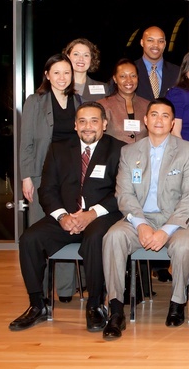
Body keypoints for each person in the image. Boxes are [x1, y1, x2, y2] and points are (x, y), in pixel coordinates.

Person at [9, 102, 125, 332]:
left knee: (95, 238)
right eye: (82, 121)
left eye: (94, 121)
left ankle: (95, 305)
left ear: (104, 124)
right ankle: (37, 305)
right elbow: (47, 190)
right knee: (29, 239)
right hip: (65, 216)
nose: (88, 126)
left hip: (101, 215)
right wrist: (62, 216)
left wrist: (92, 214)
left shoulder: (120, 150)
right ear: (75, 125)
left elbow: (122, 192)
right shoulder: (58, 149)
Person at [100, 98, 189, 340]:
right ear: (145, 120)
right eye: (154, 115)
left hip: (177, 219)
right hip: (140, 218)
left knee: (182, 245)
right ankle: (116, 309)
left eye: (165, 115)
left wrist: (165, 230)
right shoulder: (128, 152)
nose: (159, 120)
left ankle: (177, 302)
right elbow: (123, 194)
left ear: (172, 122)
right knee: (113, 236)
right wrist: (142, 224)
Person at [19, 53, 82, 302]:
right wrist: (26, 177)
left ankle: (66, 290)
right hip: (40, 175)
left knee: (65, 230)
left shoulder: (77, 100)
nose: (62, 77)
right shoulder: (35, 101)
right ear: (47, 75)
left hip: (68, 176)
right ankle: (41, 292)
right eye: (56, 72)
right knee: (38, 235)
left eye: (66, 72)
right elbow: (26, 144)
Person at [98, 58, 150, 144]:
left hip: (142, 156)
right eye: (123, 76)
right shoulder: (102, 105)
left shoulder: (148, 106)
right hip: (114, 156)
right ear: (115, 79)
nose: (129, 80)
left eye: (133, 76)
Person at [134, 26, 181, 100]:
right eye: (150, 40)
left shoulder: (178, 72)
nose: (156, 45)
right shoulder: (131, 70)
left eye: (160, 41)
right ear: (142, 42)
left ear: (165, 44)